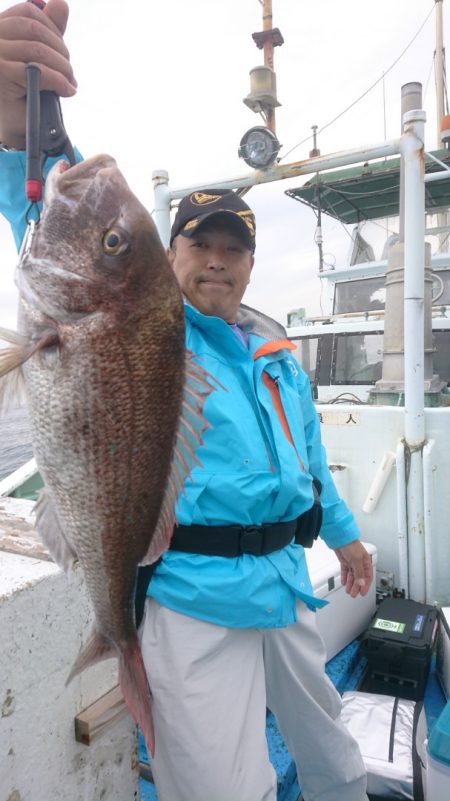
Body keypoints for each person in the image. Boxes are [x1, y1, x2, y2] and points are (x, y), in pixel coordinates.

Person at [0, 3, 373, 800]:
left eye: (233, 249)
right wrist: (16, 125)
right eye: (198, 245)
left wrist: (343, 538)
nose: (217, 262)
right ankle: (121, 637)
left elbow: (309, 461)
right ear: (167, 259)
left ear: (248, 264)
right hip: (194, 601)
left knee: (335, 757)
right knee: (220, 788)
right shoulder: (155, 333)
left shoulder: (275, 350)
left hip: (284, 585)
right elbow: (40, 218)